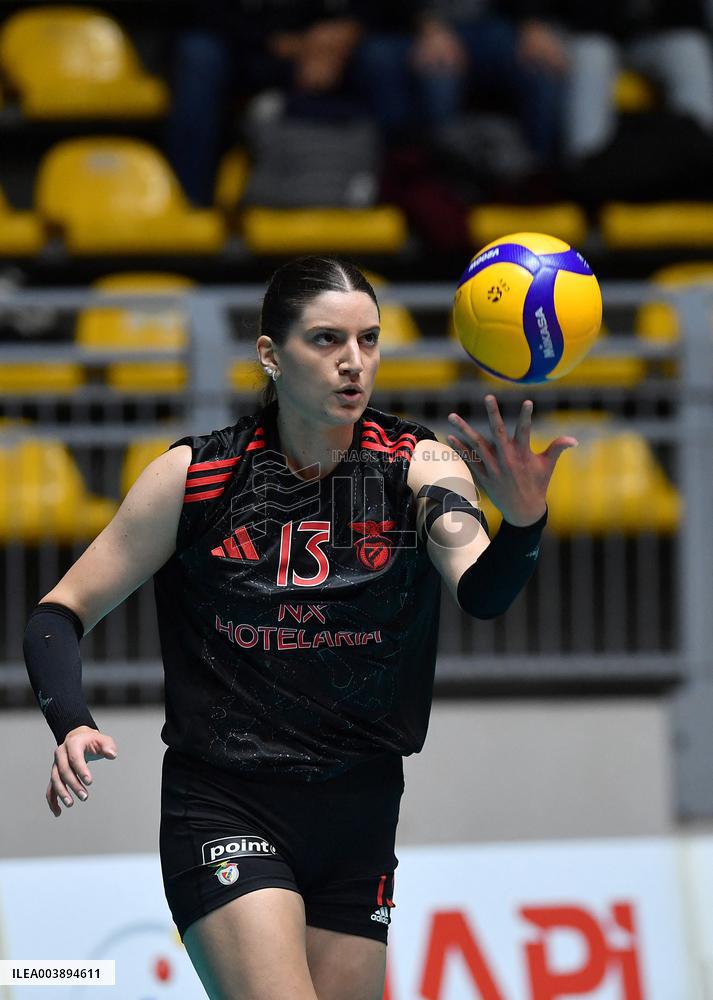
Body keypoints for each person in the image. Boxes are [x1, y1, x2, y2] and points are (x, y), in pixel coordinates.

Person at [23, 256, 576, 1000]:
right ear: (270, 354)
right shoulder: (197, 477)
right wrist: (70, 720)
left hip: (361, 811)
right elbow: (58, 614)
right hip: (225, 801)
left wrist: (524, 524)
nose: (354, 362)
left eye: (369, 340)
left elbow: (480, 590)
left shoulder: (419, 466)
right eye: (326, 340)